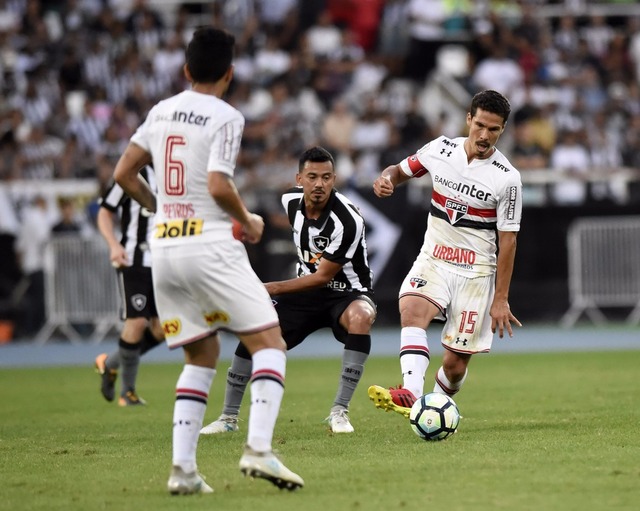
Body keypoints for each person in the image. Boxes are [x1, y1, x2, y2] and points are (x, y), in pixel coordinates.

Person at [112, 26, 303, 494]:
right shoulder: (226, 116)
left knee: (201, 354)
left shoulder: (160, 112)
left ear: (186, 69)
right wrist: (249, 220)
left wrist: (158, 209)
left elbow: (123, 173)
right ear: (230, 73)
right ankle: (258, 449)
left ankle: (183, 472)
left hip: (165, 250)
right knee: (270, 344)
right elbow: (218, 185)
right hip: (211, 245)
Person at [200, 146, 376, 436]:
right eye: (312, 177)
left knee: (361, 317)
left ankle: (339, 412)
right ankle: (228, 417)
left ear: (335, 180)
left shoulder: (348, 220)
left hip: (346, 293)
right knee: (256, 325)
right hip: (303, 296)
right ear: (299, 179)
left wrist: (267, 287)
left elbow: (322, 278)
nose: (319, 184)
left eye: (326, 177)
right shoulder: (290, 201)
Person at [368, 89, 522, 418]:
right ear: (468, 118)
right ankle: (410, 392)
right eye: (479, 125)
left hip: (477, 274)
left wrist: (501, 298)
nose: (484, 135)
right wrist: (387, 179)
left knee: (453, 366)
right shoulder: (441, 149)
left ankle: (435, 406)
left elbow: (508, 240)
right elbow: (399, 170)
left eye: (493, 129)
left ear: (502, 129)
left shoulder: (507, 178)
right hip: (435, 258)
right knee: (411, 308)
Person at [94, 165, 164, 407]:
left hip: (164, 263)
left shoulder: (175, 173)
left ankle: (110, 364)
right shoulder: (131, 173)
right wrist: (114, 244)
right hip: (134, 261)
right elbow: (104, 212)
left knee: (163, 329)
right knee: (136, 322)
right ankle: (128, 393)